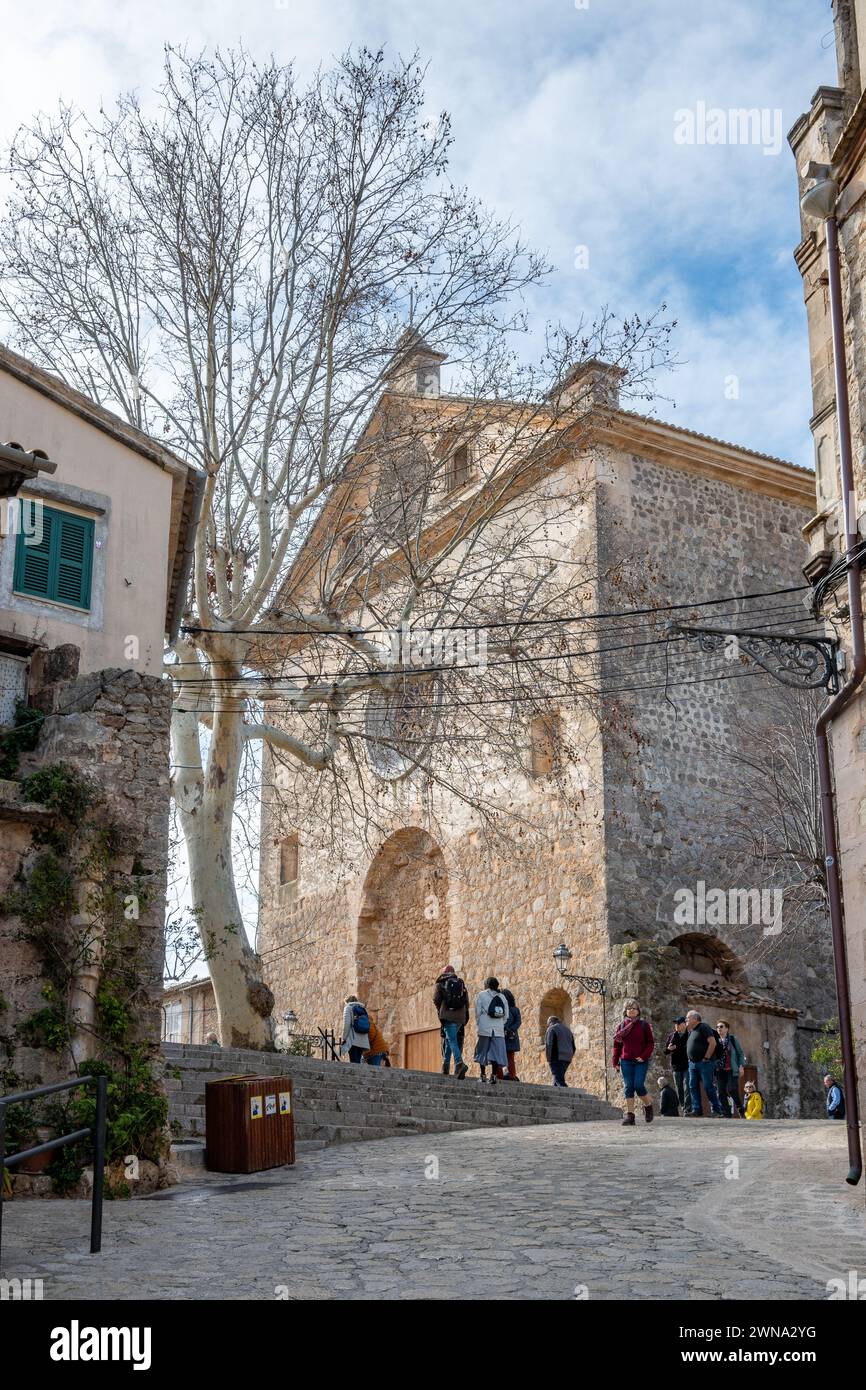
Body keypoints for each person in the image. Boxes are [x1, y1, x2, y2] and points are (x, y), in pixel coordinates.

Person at [611, 999, 655, 1125]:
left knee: (638, 1085)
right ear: (625, 1011)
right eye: (629, 1008)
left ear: (638, 1011)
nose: (631, 1010)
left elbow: (650, 1043)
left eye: (634, 1008)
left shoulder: (643, 1025)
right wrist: (615, 1062)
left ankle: (648, 1105)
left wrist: (644, 1055)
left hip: (641, 1061)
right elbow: (616, 1046)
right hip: (626, 1061)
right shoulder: (621, 1027)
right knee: (628, 1087)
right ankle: (630, 1116)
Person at [685, 1009, 724, 1117]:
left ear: (695, 1018)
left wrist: (706, 1057)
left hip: (705, 1063)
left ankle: (717, 1110)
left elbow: (712, 1042)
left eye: (688, 1018)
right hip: (692, 1064)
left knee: (708, 1086)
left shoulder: (703, 1027)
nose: (686, 1020)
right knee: (692, 1086)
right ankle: (697, 1109)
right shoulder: (692, 1031)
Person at [433, 965, 469, 1079]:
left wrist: (441, 1010)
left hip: (448, 1016)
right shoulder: (461, 984)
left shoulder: (440, 983)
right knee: (449, 1039)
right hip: (460, 1017)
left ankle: (459, 1063)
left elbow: (436, 999)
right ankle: (445, 1067)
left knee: (451, 1039)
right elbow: (466, 1002)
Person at [474, 976, 509, 1083]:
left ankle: (483, 1075)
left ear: (486, 985)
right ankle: (494, 1076)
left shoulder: (481, 995)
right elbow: (506, 1016)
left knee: (482, 1051)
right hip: (498, 1029)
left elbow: (478, 1012)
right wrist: (499, 1024)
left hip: (485, 1028)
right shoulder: (502, 997)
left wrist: (479, 1024)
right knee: (495, 1053)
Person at [715, 1020, 746, 1118]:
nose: (719, 1028)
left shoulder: (732, 1039)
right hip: (719, 1070)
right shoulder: (716, 1041)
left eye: (721, 1026)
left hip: (731, 1069)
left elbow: (740, 1053)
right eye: (717, 1027)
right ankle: (726, 1113)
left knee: (732, 1089)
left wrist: (741, 1066)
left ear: (727, 1029)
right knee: (720, 1092)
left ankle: (740, 1108)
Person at [664, 1016, 692, 1115]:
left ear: (684, 1024)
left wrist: (677, 1047)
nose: (676, 1026)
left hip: (687, 1065)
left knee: (687, 1087)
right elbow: (665, 1051)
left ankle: (688, 1109)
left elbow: (689, 1047)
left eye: (679, 1023)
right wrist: (669, 1048)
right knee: (679, 1088)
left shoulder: (690, 1035)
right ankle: (684, 1107)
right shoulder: (671, 1036)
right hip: (676, 1066)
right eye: (675, 1024)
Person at [545, 1014, 576, 1087]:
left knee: (559, 1080)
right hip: (567, 1057)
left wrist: (548, 1059)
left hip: (557, 1057)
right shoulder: (567, 1030)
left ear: (550, 1022)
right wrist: (570, 1056)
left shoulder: (551, 1029)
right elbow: (573, 1047)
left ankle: (568, 1095)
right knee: (557, 1078)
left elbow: (549, 1045)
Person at [340, 995, 371, 1064]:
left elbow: (346, 1024)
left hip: (353, 1040)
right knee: (358, 1061)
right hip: (362, 1040)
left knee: (354, 1061)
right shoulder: (362, 1009)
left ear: (347, 1002)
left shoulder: (348, 1008)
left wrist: (344, 1038)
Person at [501, 986, 522, 1081]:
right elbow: (518, 1022)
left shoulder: (502, 1009)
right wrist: (511, 1029)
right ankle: (512, 1075)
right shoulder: (515, 1010)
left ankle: (500, 1074)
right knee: (510, 1057)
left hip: (503, 1036)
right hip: (512, 1036)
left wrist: (506, 1029)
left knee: (500, 1056)